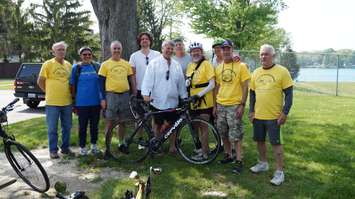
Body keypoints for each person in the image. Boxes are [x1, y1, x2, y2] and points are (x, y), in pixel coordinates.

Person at [249, 44, 293, 186]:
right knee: (259, 141)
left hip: (275, 117)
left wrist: (285, 112)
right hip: (258, 116)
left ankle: (280, 172)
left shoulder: (282, 71)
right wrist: (251, 111)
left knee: (276, 144)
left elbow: (289, 94)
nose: (263, 56)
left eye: (266, 54)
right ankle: (263, 163)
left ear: (273, 56)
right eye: (261, 54)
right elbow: (252, 94)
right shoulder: (255, 72)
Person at [141, 40, 187, 154]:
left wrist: (184, 96)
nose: (169, 50)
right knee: (157, 124)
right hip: (158, 100)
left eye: (172, 49)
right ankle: (158, 144)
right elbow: (148, 79)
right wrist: (145, 94)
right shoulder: (154, 63)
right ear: (162, 49)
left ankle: (172, 146)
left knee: (173, 125)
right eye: (167, 48)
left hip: (173, 101)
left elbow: (181, 83)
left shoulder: (176, 65)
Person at [214, 39, 250, 174]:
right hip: (221, 104)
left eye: (228, 48)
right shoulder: (218, 68)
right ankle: (228, 155)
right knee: (223, 132)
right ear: (221, 51)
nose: (226, 51)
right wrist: (215, 106)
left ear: (232, 49)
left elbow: (245, 86)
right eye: (224, 49)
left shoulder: (241, 66)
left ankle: (239, 160)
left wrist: (242, 104)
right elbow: (217, 87)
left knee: (236, 134)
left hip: (234, 105)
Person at [99, 41, 137, 159]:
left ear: (121, 50)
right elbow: (100, 83)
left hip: (125, 95)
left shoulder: (126, 64)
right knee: (110, 122)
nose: (116, 50)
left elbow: (131, 79)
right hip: (111, 95)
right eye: (114, 48)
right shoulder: (105, 64)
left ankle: (121, 143)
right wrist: (102, 99)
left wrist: (134, 93)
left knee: (123, 121)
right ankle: (107, 148)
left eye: (118, 48)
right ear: (111, 50)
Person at [37, 41, 74, 159]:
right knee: (52, 128)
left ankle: (65, 148)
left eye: (63, 49)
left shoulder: (69, 65)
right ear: (54, 52)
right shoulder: (47, 64)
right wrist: (48, 92)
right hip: (52, 103)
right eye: (59, 50)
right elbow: (40, 81)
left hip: (67, 102)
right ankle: (53, 150)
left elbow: (71, 83)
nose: (61, 51)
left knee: (67, 127)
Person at [70, 47, 102, 156]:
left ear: (92, 55)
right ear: (81, 56)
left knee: (94, 126)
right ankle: (82, 147)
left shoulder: (96, 66)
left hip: (96, 102)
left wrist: (102, 99)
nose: (87, 56)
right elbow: (72, 85)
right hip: (81, 103)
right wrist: (73, 101)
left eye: (89, 54)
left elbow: (101, 84)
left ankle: (94, 146)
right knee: (82, 126)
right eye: (84, 54)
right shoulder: (76, 68)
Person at [185, 42, 215, 160]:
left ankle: (205, 153)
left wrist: (199, 95)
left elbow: (212, 84)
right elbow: (189, 80)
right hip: (193, 100)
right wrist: (187, 83)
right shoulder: (190, 65)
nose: (195, 53)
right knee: (195, 126)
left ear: (201, 52)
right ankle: (202, 149)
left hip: (204, 100)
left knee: (204, 126)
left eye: (198, 51)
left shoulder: (206, 64)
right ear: (190, 53)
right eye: (193, 51)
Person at [129, 32, 160, 99]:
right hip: (140, 89)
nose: (144, 40)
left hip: (155, 90)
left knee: (155, 109)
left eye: (147, 39)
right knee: (141, 109)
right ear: (139, 42)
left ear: (150, 41)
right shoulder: (134, 56)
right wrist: (134, 90)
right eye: (142, 39)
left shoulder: (157, 55)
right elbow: (132, 74)